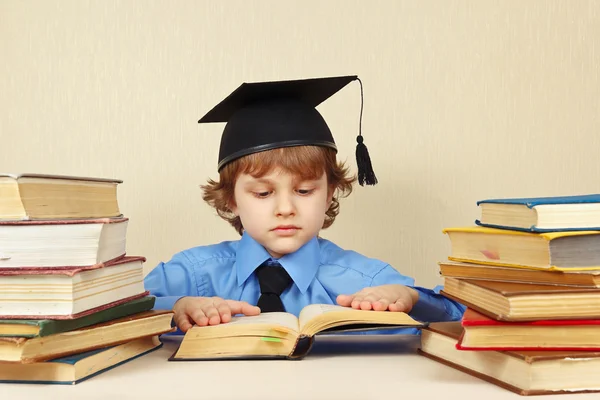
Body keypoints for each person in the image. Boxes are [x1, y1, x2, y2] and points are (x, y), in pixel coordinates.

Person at [144, 75, 465, 333]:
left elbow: (460, 313)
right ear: (232, 199)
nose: (285, 208)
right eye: (262, 194)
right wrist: (176, 306)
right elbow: (108, 309)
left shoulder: (366, 281)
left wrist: (410, 298)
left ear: (329, 194)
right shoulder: (193, 274)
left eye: (305, 190)